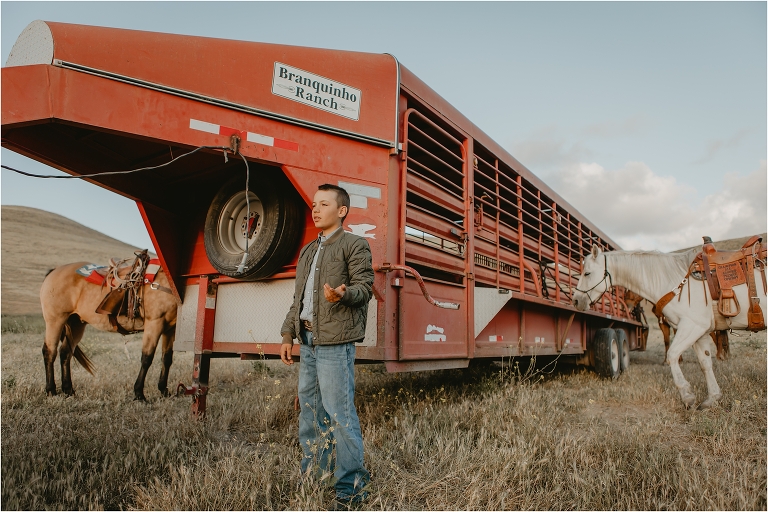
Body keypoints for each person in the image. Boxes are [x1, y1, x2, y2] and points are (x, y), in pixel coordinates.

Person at [280, 183, 373, 507]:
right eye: (314, 204)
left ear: (342, 210)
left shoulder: (354, 244)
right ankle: (315, 476)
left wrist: (344, 294)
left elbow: (365, 288)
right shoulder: (308, 251)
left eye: (323, 204)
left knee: (340, 415)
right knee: (310, 414)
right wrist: (288, 334)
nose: (315, 210)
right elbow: (299, 300)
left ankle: (351, 489)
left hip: (335, 344)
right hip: (308, 342)